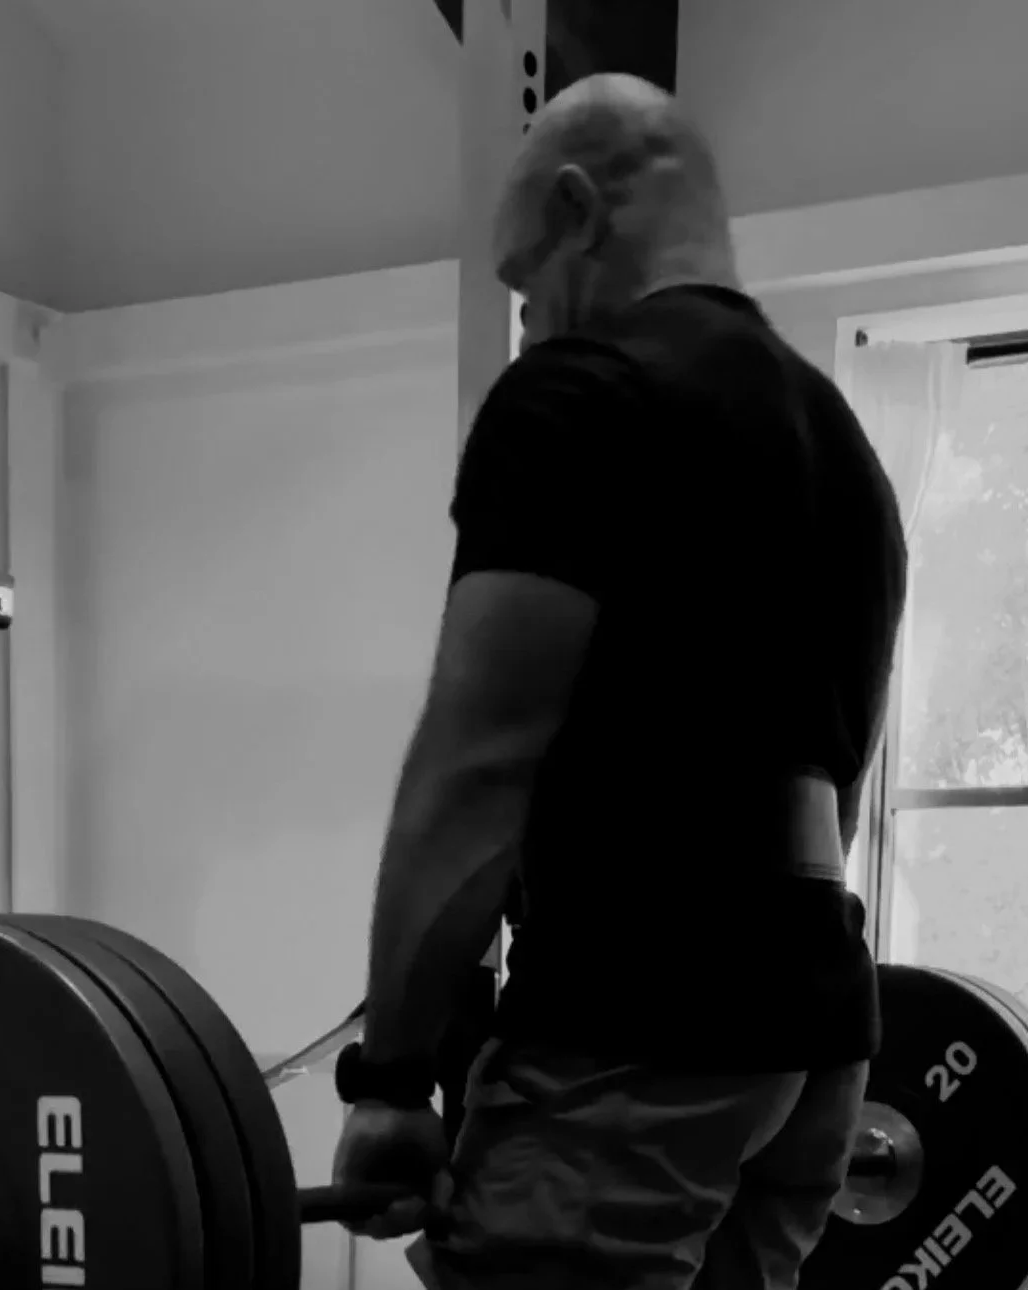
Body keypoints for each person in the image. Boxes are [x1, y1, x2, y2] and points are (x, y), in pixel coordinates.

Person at [331, 72, 908, 1290]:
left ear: (579, 208)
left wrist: (388, 1080)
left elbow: (478, 765)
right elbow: (835, 792)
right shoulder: (839, 443)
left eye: (527, 282)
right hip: (811, 1048)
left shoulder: (578, 395)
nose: (532, 319)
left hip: (635, 1047)